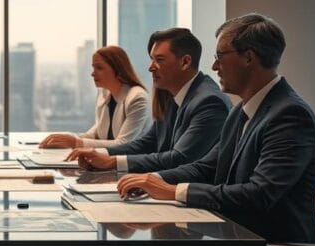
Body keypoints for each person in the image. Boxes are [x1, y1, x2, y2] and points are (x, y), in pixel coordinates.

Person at [116, 14, 315, 246]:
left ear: (248, 57)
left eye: (220, 56)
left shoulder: (289, 115)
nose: (214, 66)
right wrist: (153, 181)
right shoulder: (243, 111)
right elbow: (208, 166)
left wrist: (173, 191)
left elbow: (258, 194)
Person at [66, 28, 230, 173]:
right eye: (152, 59)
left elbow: (179, 159)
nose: (150, 67)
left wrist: (112, 162)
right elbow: (147, 143)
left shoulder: (209, 102)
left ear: (185, 62)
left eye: (159, 60)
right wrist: (101, 155)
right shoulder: (173, 96)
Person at [39, 45, 150, 149]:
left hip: (132, 166)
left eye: (99, 68)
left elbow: (124, 144)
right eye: (93, 67)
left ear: (118, 69)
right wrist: (64, 140)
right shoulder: (105, 94)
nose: (92, 73)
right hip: (107, 161)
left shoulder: (137, 98)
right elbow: (95, 133)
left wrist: (77, 142)